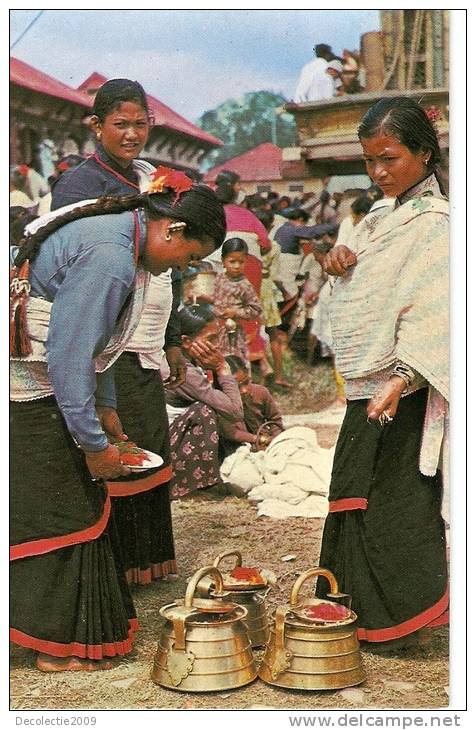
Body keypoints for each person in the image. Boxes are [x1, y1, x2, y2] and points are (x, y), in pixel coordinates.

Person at [10, 180, 226, 672]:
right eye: (186, 257)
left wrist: (106, 410)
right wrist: (92, 444)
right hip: (27, 388)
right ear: (171, 228)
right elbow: (68, 356)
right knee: (64, 512)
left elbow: (99, 342)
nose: (181, 269)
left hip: (46, 383)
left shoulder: (120, 236)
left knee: (74, 505)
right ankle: (53, 645)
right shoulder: (110, 256)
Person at [316, 97, 449, 650]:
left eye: (389, 158)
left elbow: (437, 307)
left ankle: (401, 619)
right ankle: (358, 611)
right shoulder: (376, 219)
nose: (378, 172)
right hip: (366, 383)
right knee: (352, 492)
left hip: (404, 387)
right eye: (369, 160)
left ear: (423, 153)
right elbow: (362, 292)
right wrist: (338, 263)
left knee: (396, 501)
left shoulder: (438, 225)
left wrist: (403, 377)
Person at [50, 79, 183, 585]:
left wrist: (172, 337)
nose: (131, 134)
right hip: (100, 327)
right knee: (112, 446)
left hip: (145, 330)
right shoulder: (79, 185)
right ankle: (114, 567)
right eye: (120, 124)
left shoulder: (153, 179)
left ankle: (147, 562)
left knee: (146, 440)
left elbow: (174, 260)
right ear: (96, 126)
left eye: (139, 123)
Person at [164, 305, 244, 499]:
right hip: (166, 447)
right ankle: (195, 486)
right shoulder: (184, 370)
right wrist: (221, 367)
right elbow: (235, 411)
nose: (217, 345)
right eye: (211, 339)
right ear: (185, 341)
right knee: (204, 410)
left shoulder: (188, 362)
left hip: (171, 440)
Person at [212, 238, 263, 368]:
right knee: (215, 363)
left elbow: (256, 308)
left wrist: (236, 312)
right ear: (223, 261)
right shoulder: (219, 278)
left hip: (232, 334)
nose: (236, 266)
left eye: (241, 262)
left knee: (234, 364)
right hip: (215, 330)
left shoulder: (244, 285)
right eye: (232, 261)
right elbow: (216, 299)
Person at [220, 355, 284, 452]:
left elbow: (275, 419)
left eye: (246, 382)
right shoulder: (221, 402)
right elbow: (230, 432)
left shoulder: (261, 392)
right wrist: (258, 439)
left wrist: (276, 441)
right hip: (238, 448)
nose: (244, 390)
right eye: (237, 387)